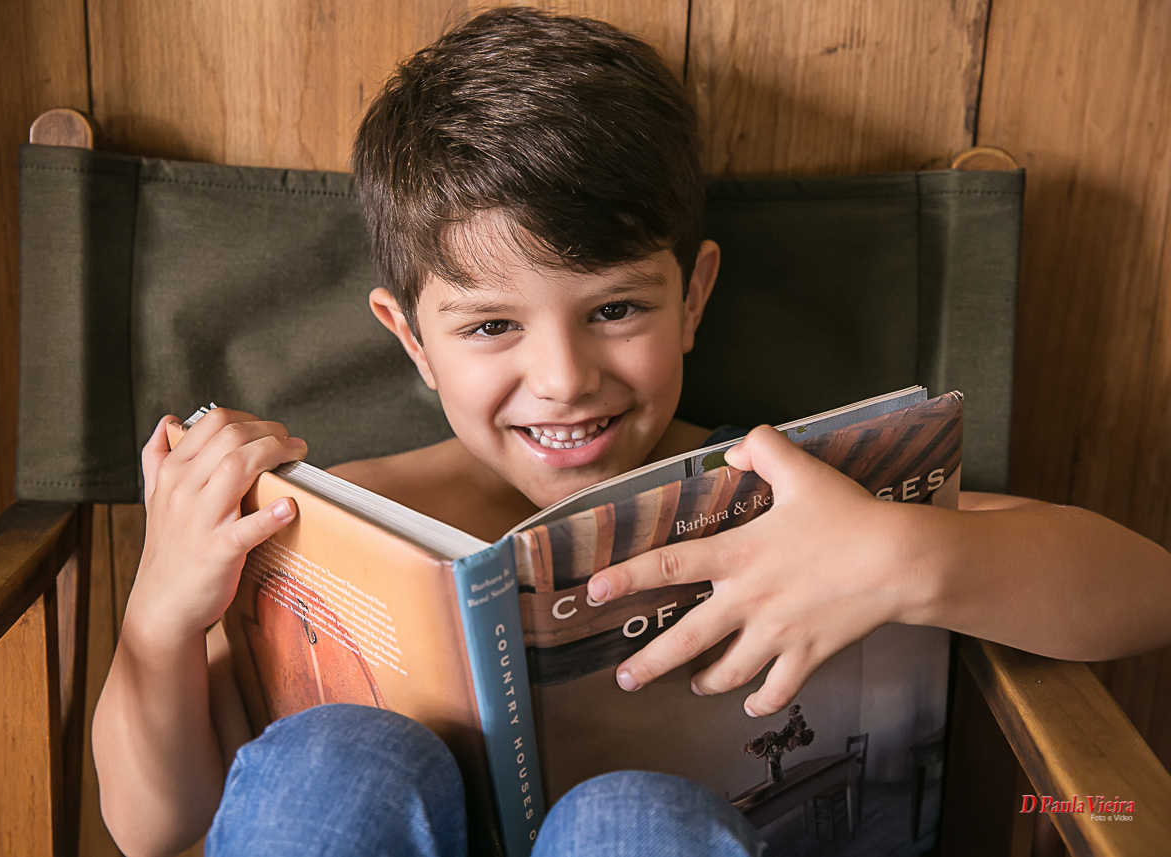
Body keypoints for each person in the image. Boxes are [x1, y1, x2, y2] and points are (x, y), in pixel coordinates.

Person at [91, 7, 1171, 857]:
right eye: (491, 325)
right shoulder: (325, 525)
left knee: (633, 823)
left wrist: (910, 556)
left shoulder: (788, 499)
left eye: (615, 308)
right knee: (332, 761)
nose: (563, 378)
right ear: (411, 340)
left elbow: (1147, 591)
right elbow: (152, 824)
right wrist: (158, 616)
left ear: (694, 296)